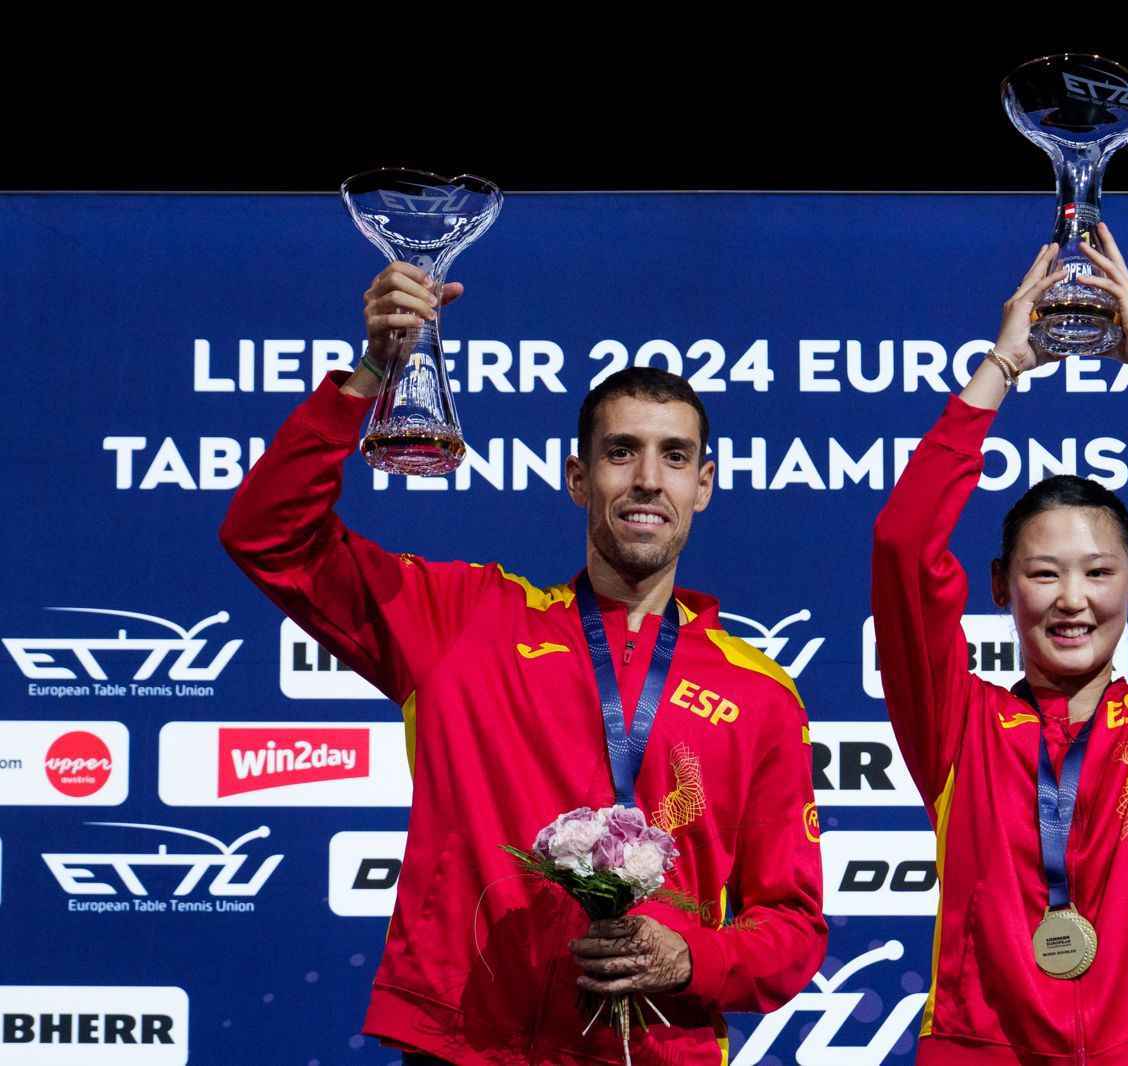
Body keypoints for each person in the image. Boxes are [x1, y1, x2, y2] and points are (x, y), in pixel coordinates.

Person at [220, 262, 826, 1065]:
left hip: (655, 1048)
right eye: (621, 452)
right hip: (466, 1043)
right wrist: (370, 374)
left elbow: (791, 923)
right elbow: (269, 535)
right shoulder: (462, 621)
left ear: (705, 484)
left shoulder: (760, 695)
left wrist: (695, 959)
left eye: (675, 457)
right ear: (578, 477)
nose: (648, 479)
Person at [872, 226, 1128, 1064]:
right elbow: (904, 547)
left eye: (1096, 573)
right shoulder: (956, 727)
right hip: (985, 1046)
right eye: (1043, 574)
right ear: (999, 588)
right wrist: (999, 369)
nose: (1071, 600)